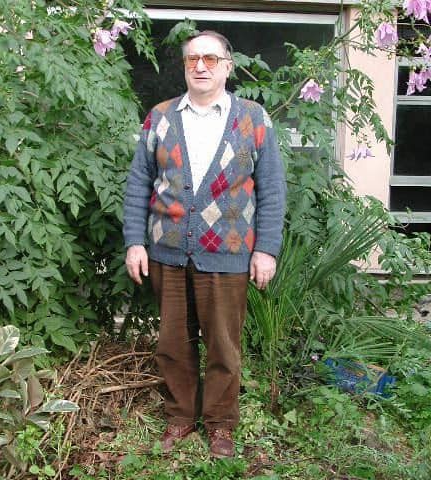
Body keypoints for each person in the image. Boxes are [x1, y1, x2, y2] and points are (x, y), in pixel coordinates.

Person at [123, 30, 286, 458]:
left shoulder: (253, 119)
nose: (200, 66)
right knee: (173, 344)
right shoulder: (160, 117)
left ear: (227, 67)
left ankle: (220, 424)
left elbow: (272, 189)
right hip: (167, 251)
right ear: (184, 66)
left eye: (210, 59)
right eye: (192, 59)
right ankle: (180, 417)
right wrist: (134, 242)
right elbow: (138, 184)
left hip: (228, 253)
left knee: (223, 347)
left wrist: (266, 249)